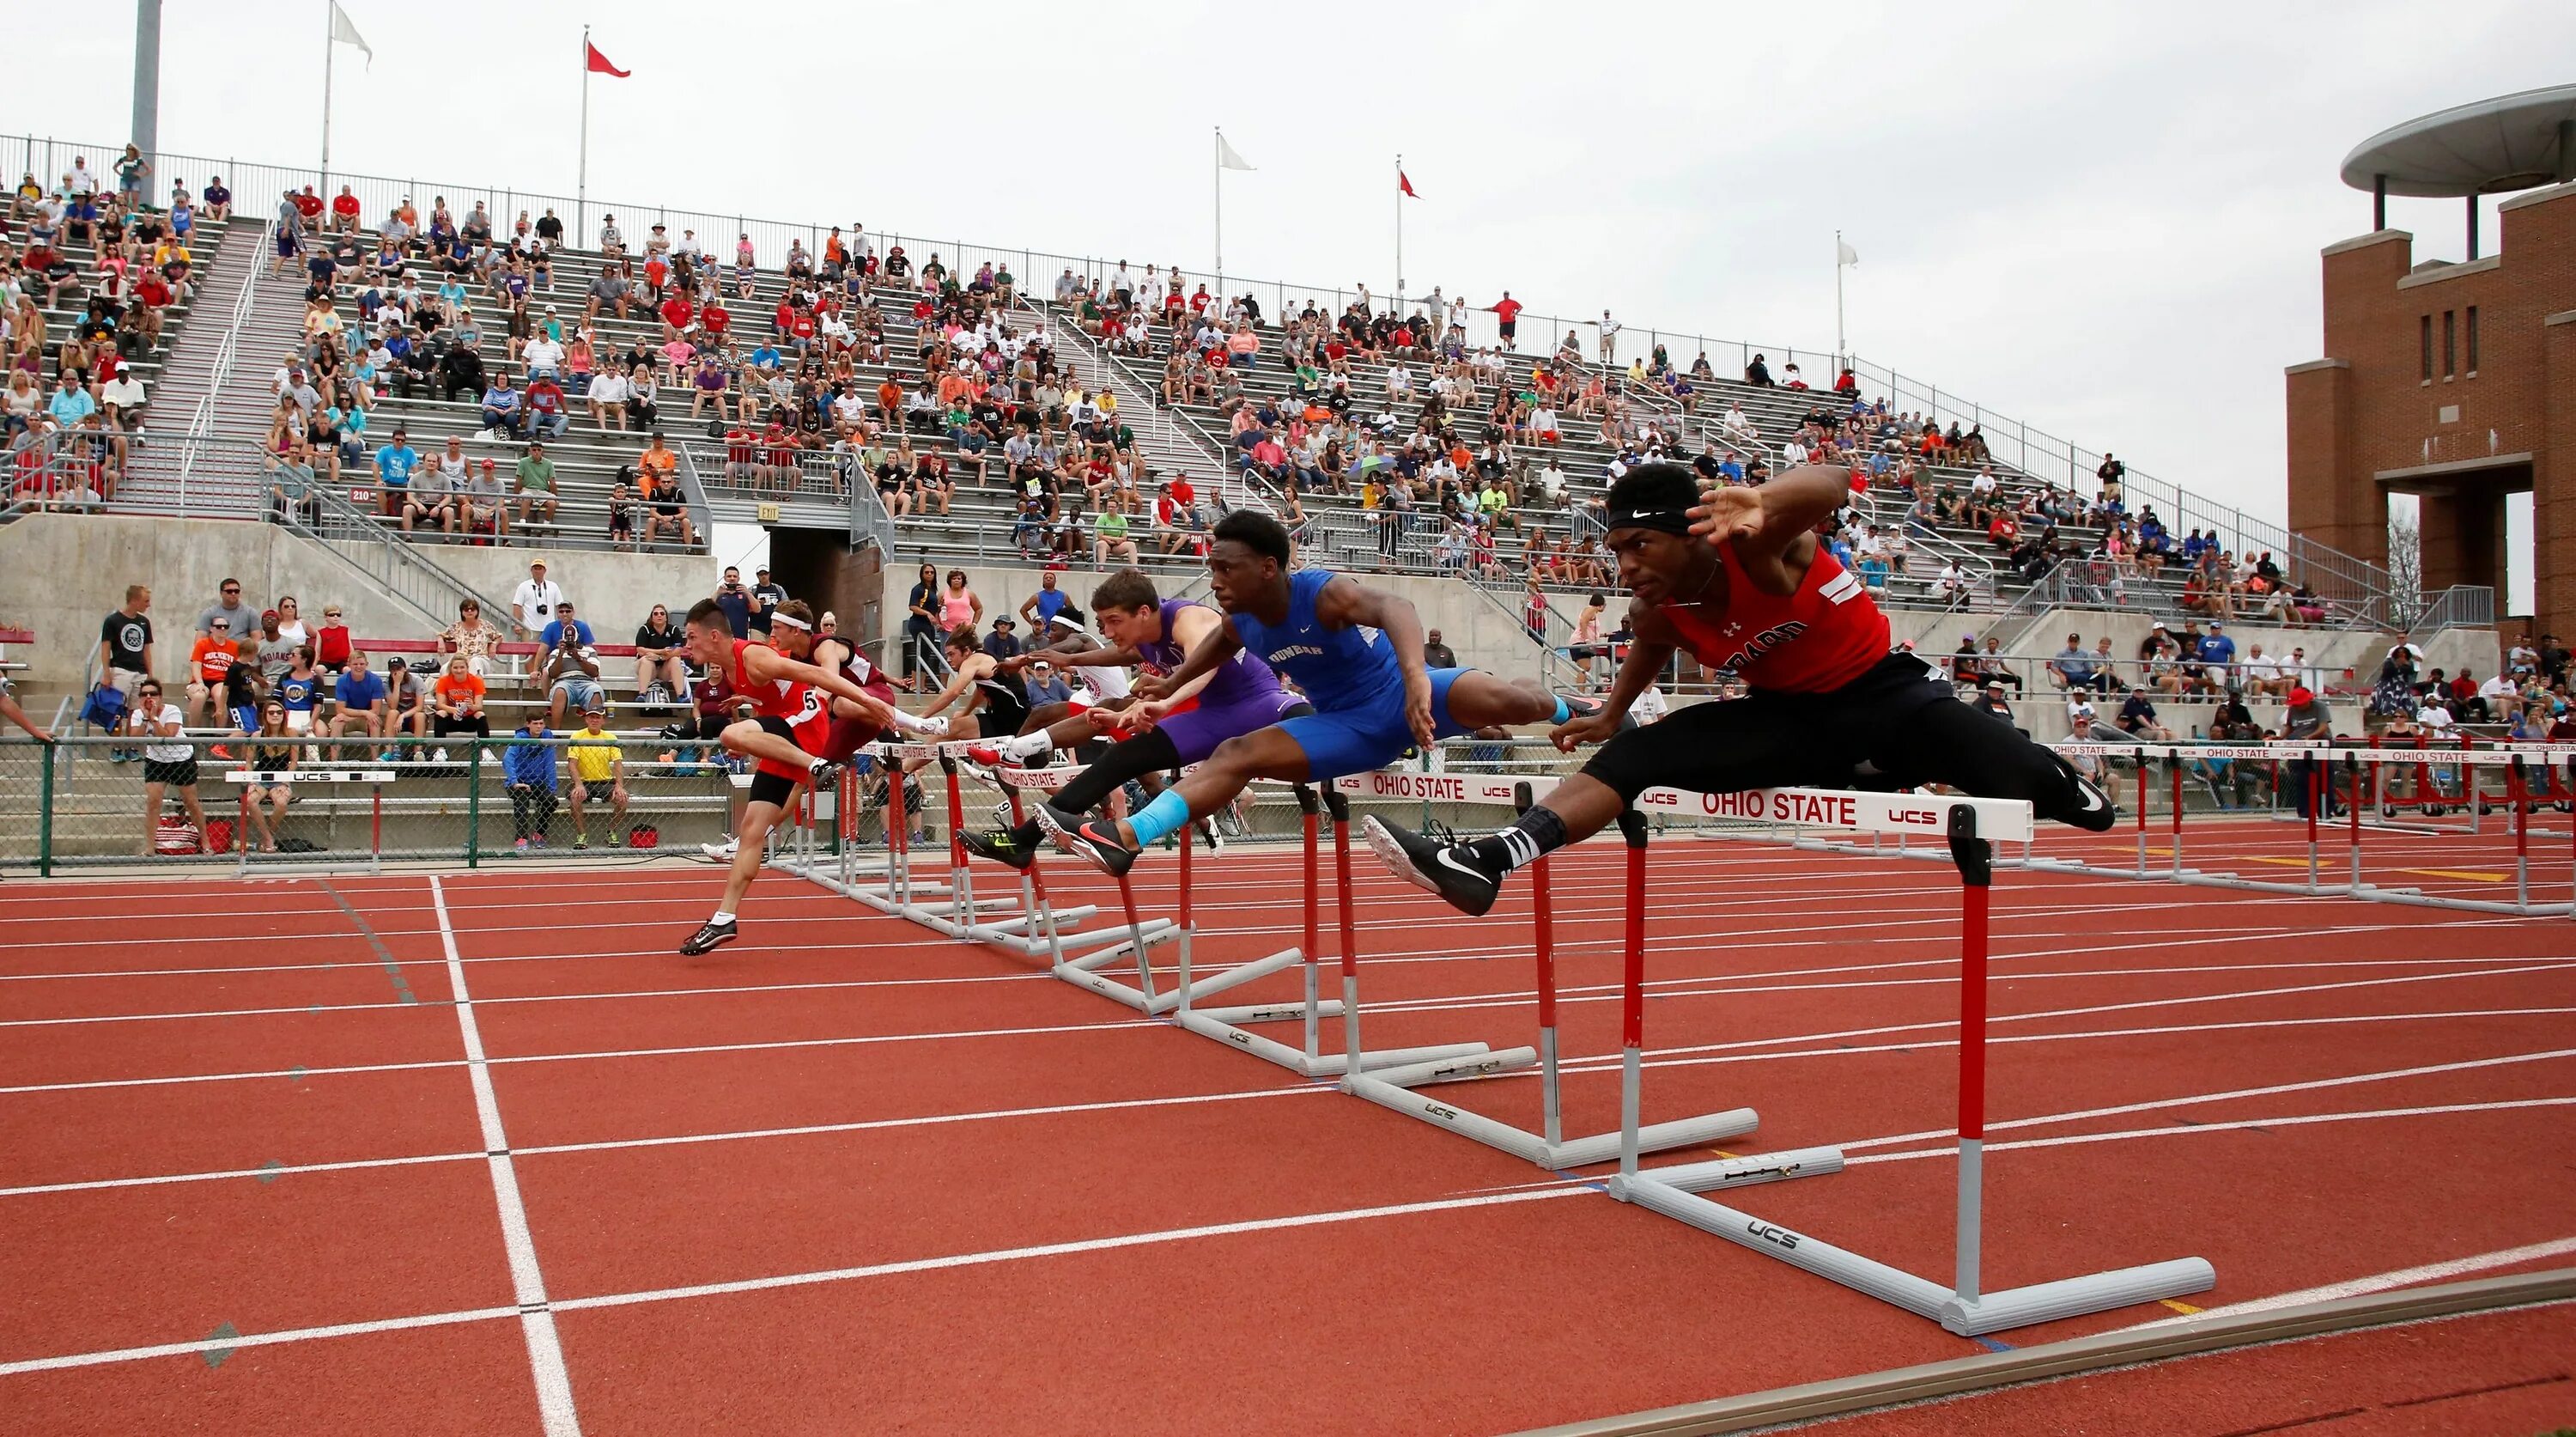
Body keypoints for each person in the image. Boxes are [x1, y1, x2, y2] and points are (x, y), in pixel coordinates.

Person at [1358, 462, 2116, 915]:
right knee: (1642, 753)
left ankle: (2048, 770)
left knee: (2069, 807)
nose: (1624, 566)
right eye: (1615, 549)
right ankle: (1488, 860)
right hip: (1791, 722)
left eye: (1638, 545)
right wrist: (1611, 716)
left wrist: (1769, 499)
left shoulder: (1761, 549)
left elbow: (1832, 482)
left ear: (1693, 533)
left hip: (1892, 699)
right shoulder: (1657, 606)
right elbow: (1650, 648)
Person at [1038, 512, 1579, 876]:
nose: (1217, 580)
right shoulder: (1241, 620)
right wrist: (1167, 693)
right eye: (1212, 569)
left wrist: (1416, 678)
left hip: (1406, 691)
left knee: (1518, 703)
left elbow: (1398, 609)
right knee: (1235, 755)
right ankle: (1127, 838)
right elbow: (1215, 648)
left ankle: (1571, 708)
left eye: (1227, 568)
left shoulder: (1322, 594)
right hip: (1345, 726)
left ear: (1268, 567)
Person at [958, 569, 1307, 868]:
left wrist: (1166, 699)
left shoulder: (1189, 618)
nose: (1107, 631)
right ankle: (1022, 842)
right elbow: (1117, 653)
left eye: (1114, 621)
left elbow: (1208, 663)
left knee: (1312, 726)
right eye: (1104, 622)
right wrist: (1072, 662)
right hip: (1213, 715)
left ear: (1143, 612)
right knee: (1121, 758)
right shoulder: (1144, 636)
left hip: (1259, 702)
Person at [676, 598, 914, 953]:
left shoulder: (752, 656)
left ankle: (815, 766)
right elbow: (773, 697)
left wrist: (871, 702)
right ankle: (725, 918)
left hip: (806, 725)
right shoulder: (727, 670)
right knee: (751, 830)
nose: (686, 646)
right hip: (783, 733)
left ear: (713, 636)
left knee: (730, 735)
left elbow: (819, 675)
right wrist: (750, 701)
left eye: (691, 637)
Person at [125, 679, 208, 856]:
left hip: (181, 759)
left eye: (153, 694)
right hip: (156, 760)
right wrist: (146, 717)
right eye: (144, 694)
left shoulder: (172, 711)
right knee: (153, 802)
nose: (149, 697)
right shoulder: (139, 714)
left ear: (160, 697)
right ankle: (149, 846)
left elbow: (168, 736)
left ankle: (206, 842)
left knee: (191, 802)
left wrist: (154, 718)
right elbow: (135, 739)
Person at [563, 702, 630, 849]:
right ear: (586, 719)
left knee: (622, 799)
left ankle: (611, 831)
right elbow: (572, 763)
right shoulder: (577, 736)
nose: (594, 720)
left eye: (597, 718)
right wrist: (578, 784)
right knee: (575, 797)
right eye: (591, 717)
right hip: (584, 781)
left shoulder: (610, 737)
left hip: (604, 781)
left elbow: (618, 763)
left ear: (603, 720)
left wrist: (619, 786)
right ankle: (582, 835)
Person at [240, 699, 299, 853]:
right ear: (265, 716)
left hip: (281, 776)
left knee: (281, 803)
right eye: (271, 712)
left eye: (279, 712)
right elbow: (249, 760)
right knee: (250, 800)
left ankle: (268, 836)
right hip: (261, 776)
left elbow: (294, 761)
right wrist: (251, 780)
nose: (275, 715)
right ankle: (268, 838)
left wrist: (286, 780)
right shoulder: (257, 735)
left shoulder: (291, 733)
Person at [503, 714, 559, 852]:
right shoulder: (520, 737)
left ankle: (539, 834)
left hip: (538, 782)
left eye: (541, 723)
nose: (539, 726)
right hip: (519, 781)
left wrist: (551, 788)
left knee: (551, 801)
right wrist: (514, 782)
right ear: (528, 724)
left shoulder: (547, 736)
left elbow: (550, 761)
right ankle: (521, 838)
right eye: (535, 723)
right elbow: (507, 759)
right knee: (522, 800)